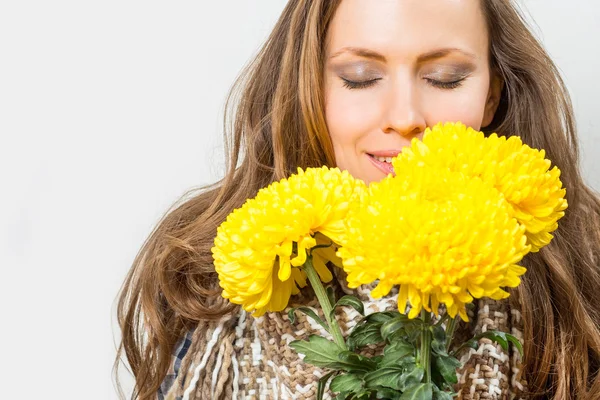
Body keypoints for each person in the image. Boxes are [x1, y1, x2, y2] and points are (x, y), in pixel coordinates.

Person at [114, 0, 600, 399]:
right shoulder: (205, 277)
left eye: (446, 77)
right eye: (362, 76)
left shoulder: (583, 264)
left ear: (492, 95)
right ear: (309, 86)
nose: (406, 116)